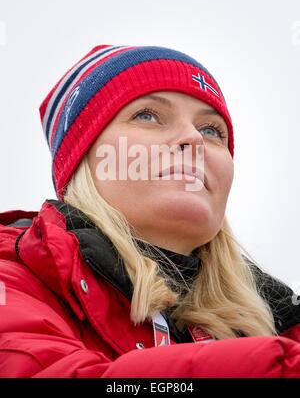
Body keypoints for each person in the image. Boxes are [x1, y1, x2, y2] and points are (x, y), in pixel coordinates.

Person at [1, 43, 300, 378]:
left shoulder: (286, 323)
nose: (193, 139)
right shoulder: (13, 278)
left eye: (211, 130)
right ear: (83, 159)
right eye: (147, 115)